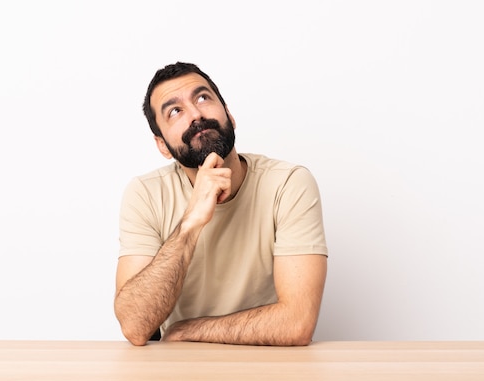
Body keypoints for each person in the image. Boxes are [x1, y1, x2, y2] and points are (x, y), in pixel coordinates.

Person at [114, 62, 328, 346]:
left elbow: (298, 323)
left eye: (203, 98)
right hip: (178, 376)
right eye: (174, 111)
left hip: (270, 368)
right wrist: (190, 223)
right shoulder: (145, 194)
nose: (196, 115)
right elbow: (134, 326)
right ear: (162, 145)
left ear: (229, 115)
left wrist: (186, 331)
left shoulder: (289, 184)